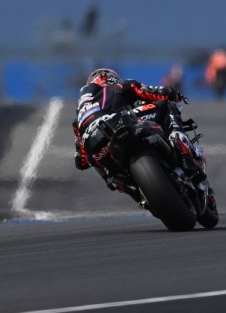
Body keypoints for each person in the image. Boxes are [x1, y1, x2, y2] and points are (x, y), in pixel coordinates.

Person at [72, 67, 193, 209]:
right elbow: (149, 92)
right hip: (119, 123)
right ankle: (184, 153)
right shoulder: (119, 86)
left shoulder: (78, 117)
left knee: (111, 176)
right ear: (111, 79)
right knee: (166, 106)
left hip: (96, 148)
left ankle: (126, 186)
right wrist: (172, 93)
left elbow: (80, 161)